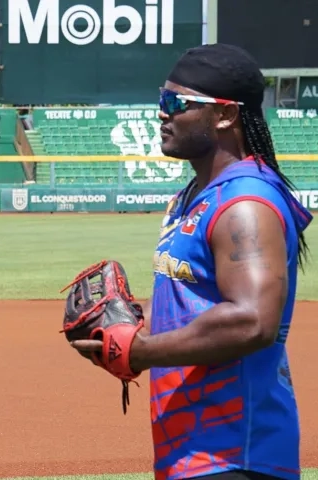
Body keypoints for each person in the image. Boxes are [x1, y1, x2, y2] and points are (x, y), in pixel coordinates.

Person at [71, 43, 311, 480]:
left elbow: (252, 320)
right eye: (161, 100)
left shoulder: (245, 202)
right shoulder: (193, 196)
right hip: (194, 451)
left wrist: (141, 351)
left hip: (237, 453)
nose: (162, 113)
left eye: (175, 103)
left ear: (224, 115)